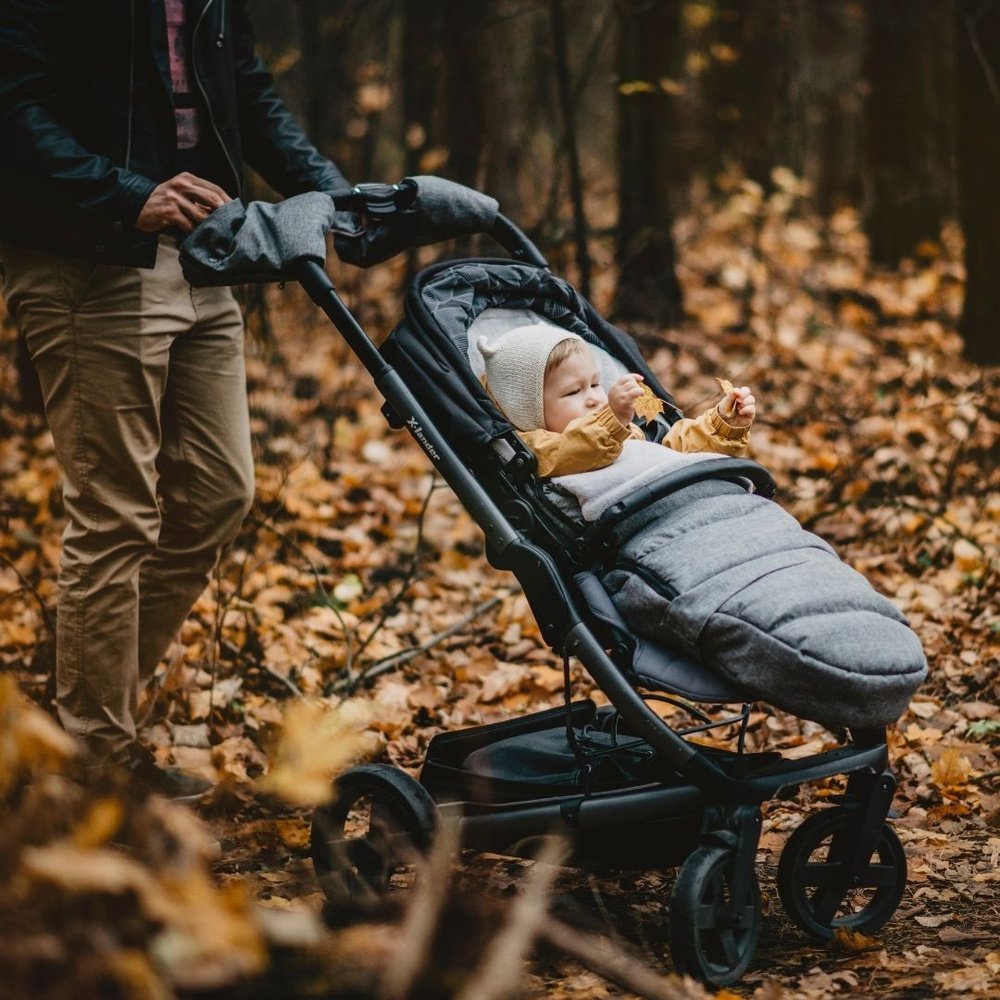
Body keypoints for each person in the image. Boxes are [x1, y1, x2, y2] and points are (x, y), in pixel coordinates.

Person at [0, 0, 353, 798]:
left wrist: (335, 192)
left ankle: (80, 703)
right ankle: (92, 761)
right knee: (117, 509)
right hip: (91, 249)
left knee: (218, 494)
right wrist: (125, 193)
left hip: (201, 251)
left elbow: (245, 87)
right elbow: (14, 111)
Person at [478, 323, 756, 478]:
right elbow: (577, 449)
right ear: (529, 411)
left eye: (596, 384)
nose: (594, 399)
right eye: (574, 392)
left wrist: (722, 425)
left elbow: (669, 452)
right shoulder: (537, 449)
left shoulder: (619, 431)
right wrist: (611, 421)